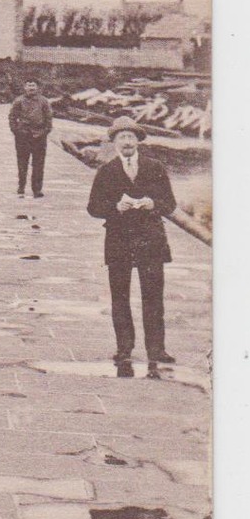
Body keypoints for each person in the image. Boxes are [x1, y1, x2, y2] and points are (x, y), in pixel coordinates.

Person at [87, 117, 178, 375]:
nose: (126, 142)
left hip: (151, 240)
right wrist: (114, 207)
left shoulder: (155, 167)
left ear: (138, 141)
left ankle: (156, 349)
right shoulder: (106, 171)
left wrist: (153, 204)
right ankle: (124, 348)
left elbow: (169, 203)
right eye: (121, 138)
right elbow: (93, 207)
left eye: (130, 137)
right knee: (120, 296)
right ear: (114, 143)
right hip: (119, 241)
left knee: (153, 296)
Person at [9, 78, 55, 198]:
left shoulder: (44, 101)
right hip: (23, 135)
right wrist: (16, 131)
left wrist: (45, 132)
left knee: (39, 164)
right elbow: (12, 117)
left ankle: (37, 189)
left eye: (33, 85)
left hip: (39, 135)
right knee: (22, 162)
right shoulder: (18, 101)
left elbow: (49, 118)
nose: (31, 88)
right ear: (24, 87)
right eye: (28, 85)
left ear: (37, 87)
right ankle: (21, 186)